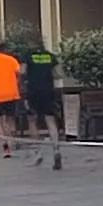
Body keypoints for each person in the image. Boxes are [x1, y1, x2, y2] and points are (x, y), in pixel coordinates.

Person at [23, 40, 63, 170]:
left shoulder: (28, 56)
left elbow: (21, 72)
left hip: (33, 92)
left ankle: (37, 152)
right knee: (50, 120)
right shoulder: (51, 56)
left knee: (32, 121)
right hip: (48, 91)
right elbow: (59, 74)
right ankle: (56, 149)